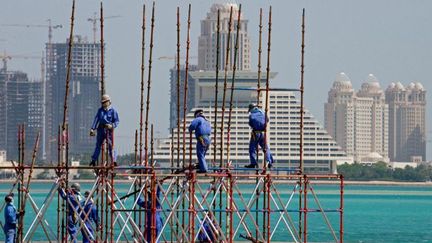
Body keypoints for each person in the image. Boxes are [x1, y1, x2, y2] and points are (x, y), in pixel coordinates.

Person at [89, 94, 120, 166]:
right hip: (100, 130)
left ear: (108, 102)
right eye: (102, 102)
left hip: (109, 131)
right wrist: (92, 129)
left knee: (111, 146)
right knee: (98, 145)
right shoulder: (100, 111)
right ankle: (93, 160)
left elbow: (117, 121)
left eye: (105, 102)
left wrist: (111, 125)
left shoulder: (113, 111)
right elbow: (96, 120)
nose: (103, 104)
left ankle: (114, 161)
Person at [245, 103, 274, 169]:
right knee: (266, 148)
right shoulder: (263, 113)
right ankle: (269, 162)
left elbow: (250, 124)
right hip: (262, 133)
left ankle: (253, 163)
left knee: (252, 149)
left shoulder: (251, 115)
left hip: (255, 133)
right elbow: (267, 120)